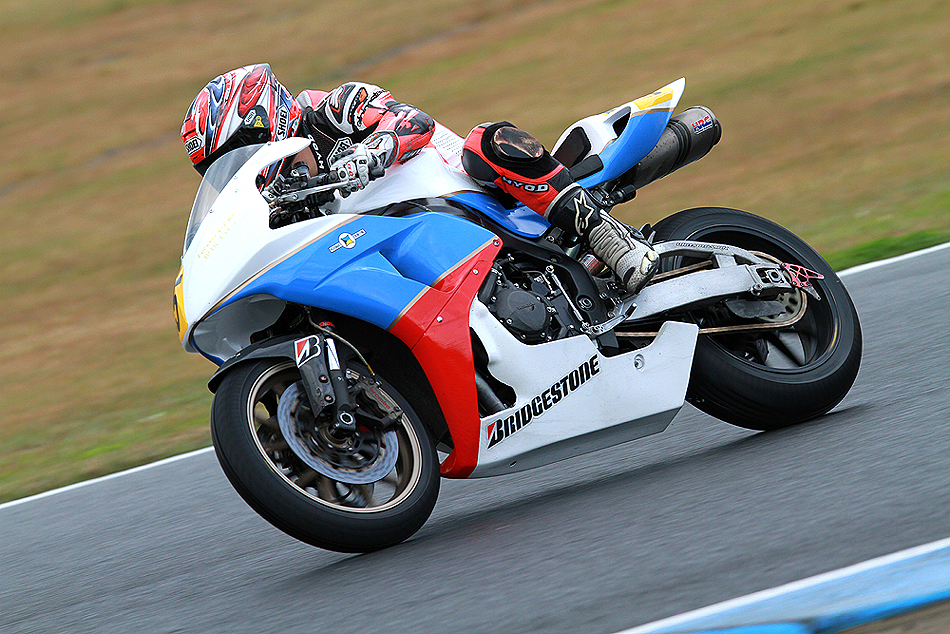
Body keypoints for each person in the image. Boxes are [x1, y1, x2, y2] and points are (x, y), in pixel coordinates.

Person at [181, 63, 658, 293]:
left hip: (471, 196)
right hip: (407, 247)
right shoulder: (280, 200)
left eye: (240, 155)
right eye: (222, 169)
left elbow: (412, 121)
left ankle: (611, 241)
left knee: (487, 140)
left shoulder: (334, 109)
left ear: (268, 120)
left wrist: (373, 152)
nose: (239, 171)